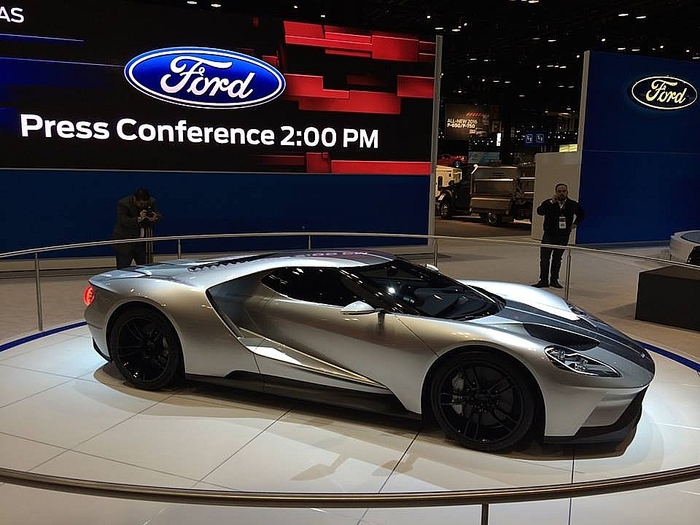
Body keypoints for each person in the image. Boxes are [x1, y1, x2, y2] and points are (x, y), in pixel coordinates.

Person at [532, 183, 585, 289]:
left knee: (557, 258)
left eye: (563, 191)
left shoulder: (572, 204)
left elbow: (582, 213)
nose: (561, 193)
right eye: (559, 191)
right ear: (556, 192)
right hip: (549, 234)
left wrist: (575, 224)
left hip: (563, 236)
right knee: (544, 258)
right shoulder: (549, 203)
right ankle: (543, 280)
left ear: (567, 192)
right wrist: (551, 202)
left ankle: (554, 280)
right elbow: (540, 211)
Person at [112, 188, 162, 269]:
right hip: (126, 243)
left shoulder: (151, 202)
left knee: (146, 269)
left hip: (142, 244)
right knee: (123, 270)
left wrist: (155, 217)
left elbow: (157, 215)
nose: (143, 206)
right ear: (135, 198)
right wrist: (139, 218)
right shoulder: (124, 204)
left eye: (145, 204)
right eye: (141, 203)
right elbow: (123, 221)